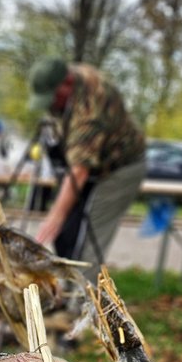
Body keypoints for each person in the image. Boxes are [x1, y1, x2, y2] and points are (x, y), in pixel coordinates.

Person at [29, 57, 145, 277]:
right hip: (94, 166)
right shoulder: (69, 80)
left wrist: (55, 216)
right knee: (66, 235)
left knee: (88, 239)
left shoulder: (90, 107)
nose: (51, 107)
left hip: (121, 168)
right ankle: (65, 293)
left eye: (53, 99)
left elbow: (79, 170)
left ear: (67, 83)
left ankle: (85, 305)